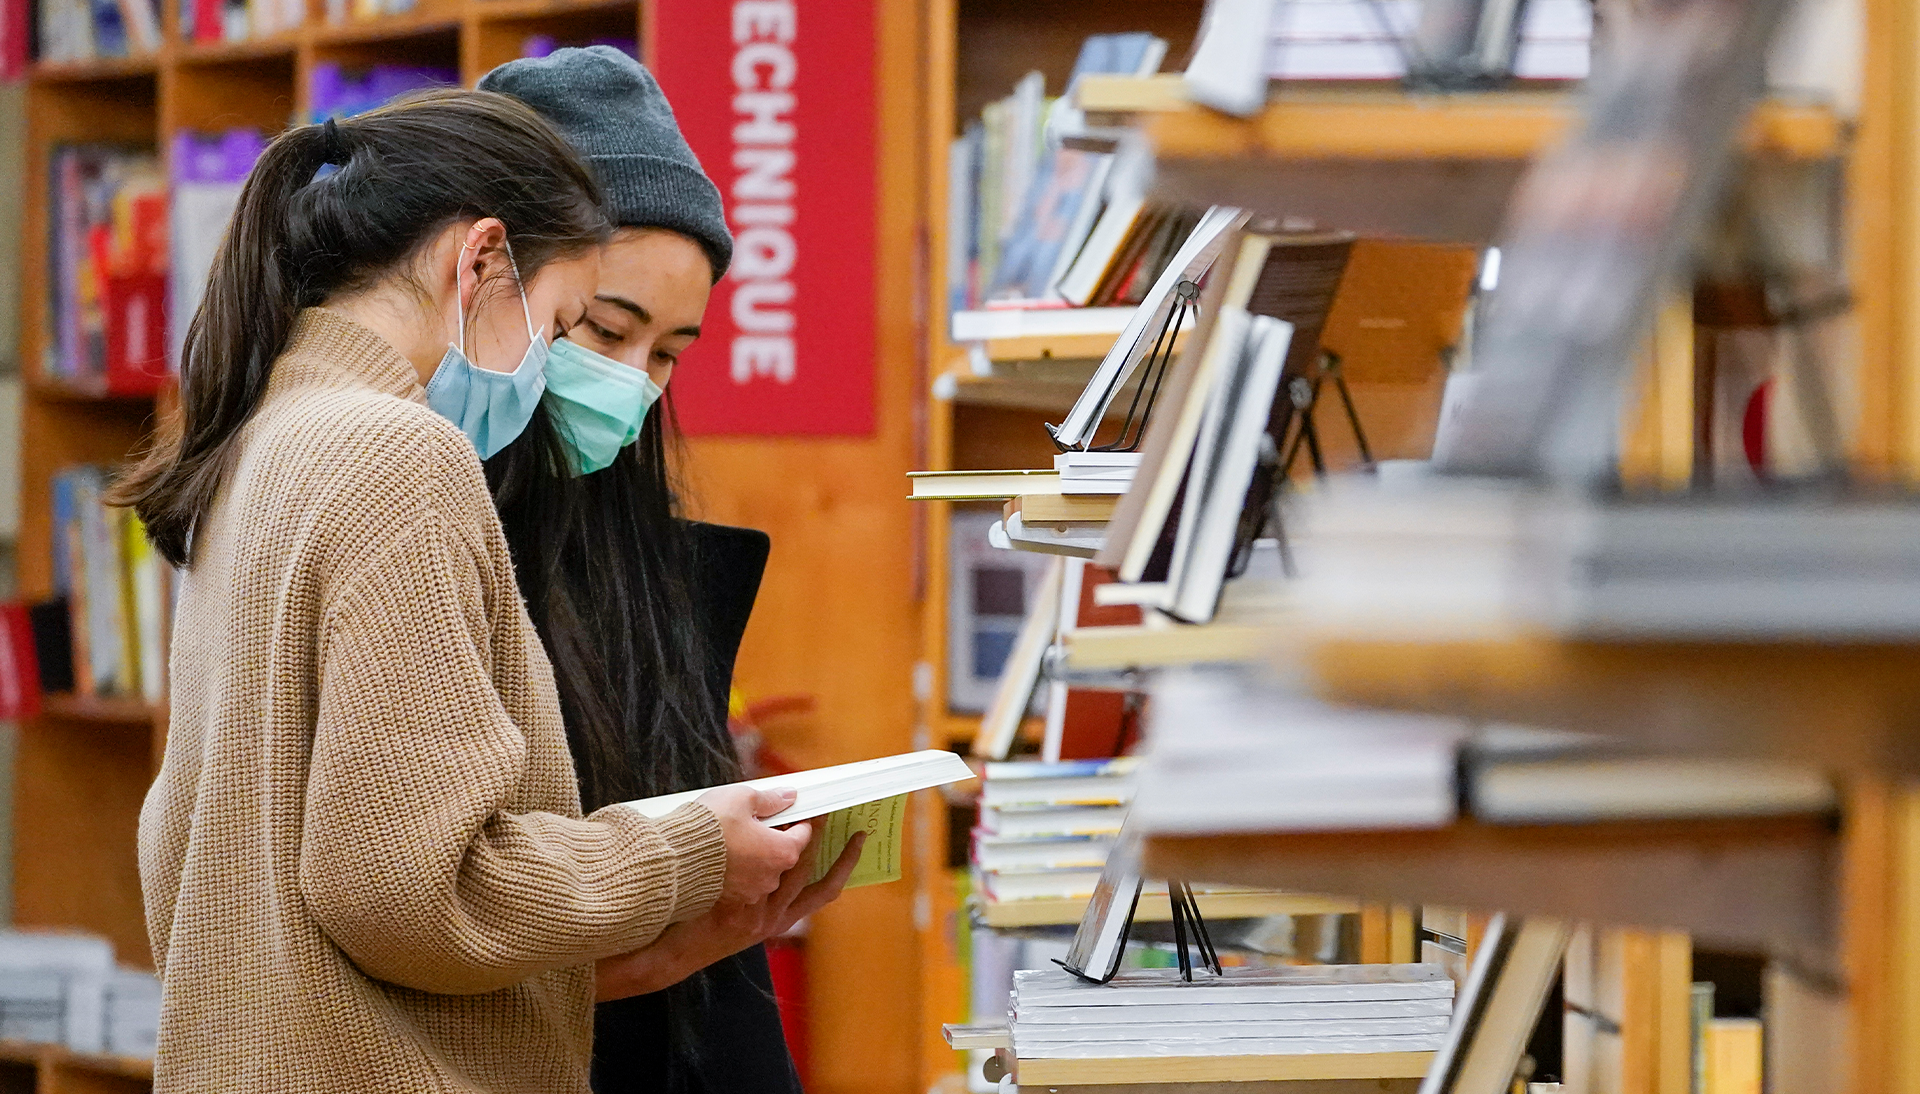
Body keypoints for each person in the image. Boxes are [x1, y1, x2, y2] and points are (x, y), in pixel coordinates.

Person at [112, 89, 814, 1093]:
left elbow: (199, 841)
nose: (590, 375)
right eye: (571, 324)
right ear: (479, 259)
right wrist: (690, 850)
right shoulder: (403, 451)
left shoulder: (266, 438)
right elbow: (410, 886)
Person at [475, 49, 854, 1094]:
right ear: (491, 279)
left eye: (670, 353)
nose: (632, 386)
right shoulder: (414, 519)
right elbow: (451, 922)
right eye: (604, 330)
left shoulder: (645, 551)